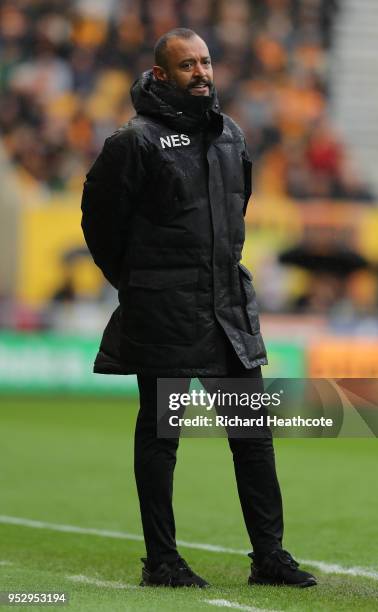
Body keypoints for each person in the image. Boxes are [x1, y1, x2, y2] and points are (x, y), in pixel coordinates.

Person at [81, 28, 317, 589]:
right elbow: (98, 223)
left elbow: (236, 211)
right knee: (162, 437)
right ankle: (161, 562)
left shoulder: (231, 135)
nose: (202, 73)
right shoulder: (133, 141)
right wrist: (140, 282)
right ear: (162, 74)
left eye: (206, 62)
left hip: (226, 308)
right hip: (165, 312)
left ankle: (270, 558)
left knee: (252, 435)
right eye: (188, 65)